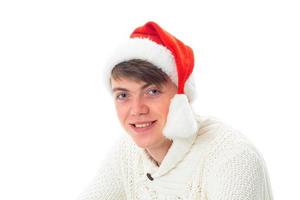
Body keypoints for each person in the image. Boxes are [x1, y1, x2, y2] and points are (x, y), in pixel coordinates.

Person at [77, 21, 273, 200]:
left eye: (152, 91)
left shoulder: (232, 157)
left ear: (182, 97)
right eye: (123, 95)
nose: (137, 109)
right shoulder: (128, 152)